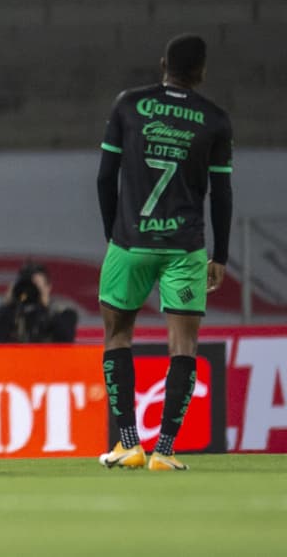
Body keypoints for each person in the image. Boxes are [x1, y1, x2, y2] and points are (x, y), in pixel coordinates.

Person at [96, 34, 231, 472]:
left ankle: (128, 443)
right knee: (184, 346)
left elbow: (105, 178)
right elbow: (222, 194)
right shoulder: (214, 120)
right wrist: (222, 255)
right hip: (185, 247)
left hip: (130, 240)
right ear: (202, 72)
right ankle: (165, 450)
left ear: (163, 64)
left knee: (118, 336)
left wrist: (114, 235)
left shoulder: (128, 105)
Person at [0, 261, 78, 343]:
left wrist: (45, 308)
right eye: (27, 285)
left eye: (36, 284)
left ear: (48, 286)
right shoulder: (12, 312)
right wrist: (8, 303)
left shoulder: (64, 313)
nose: (31, 289)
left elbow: (65, 341)